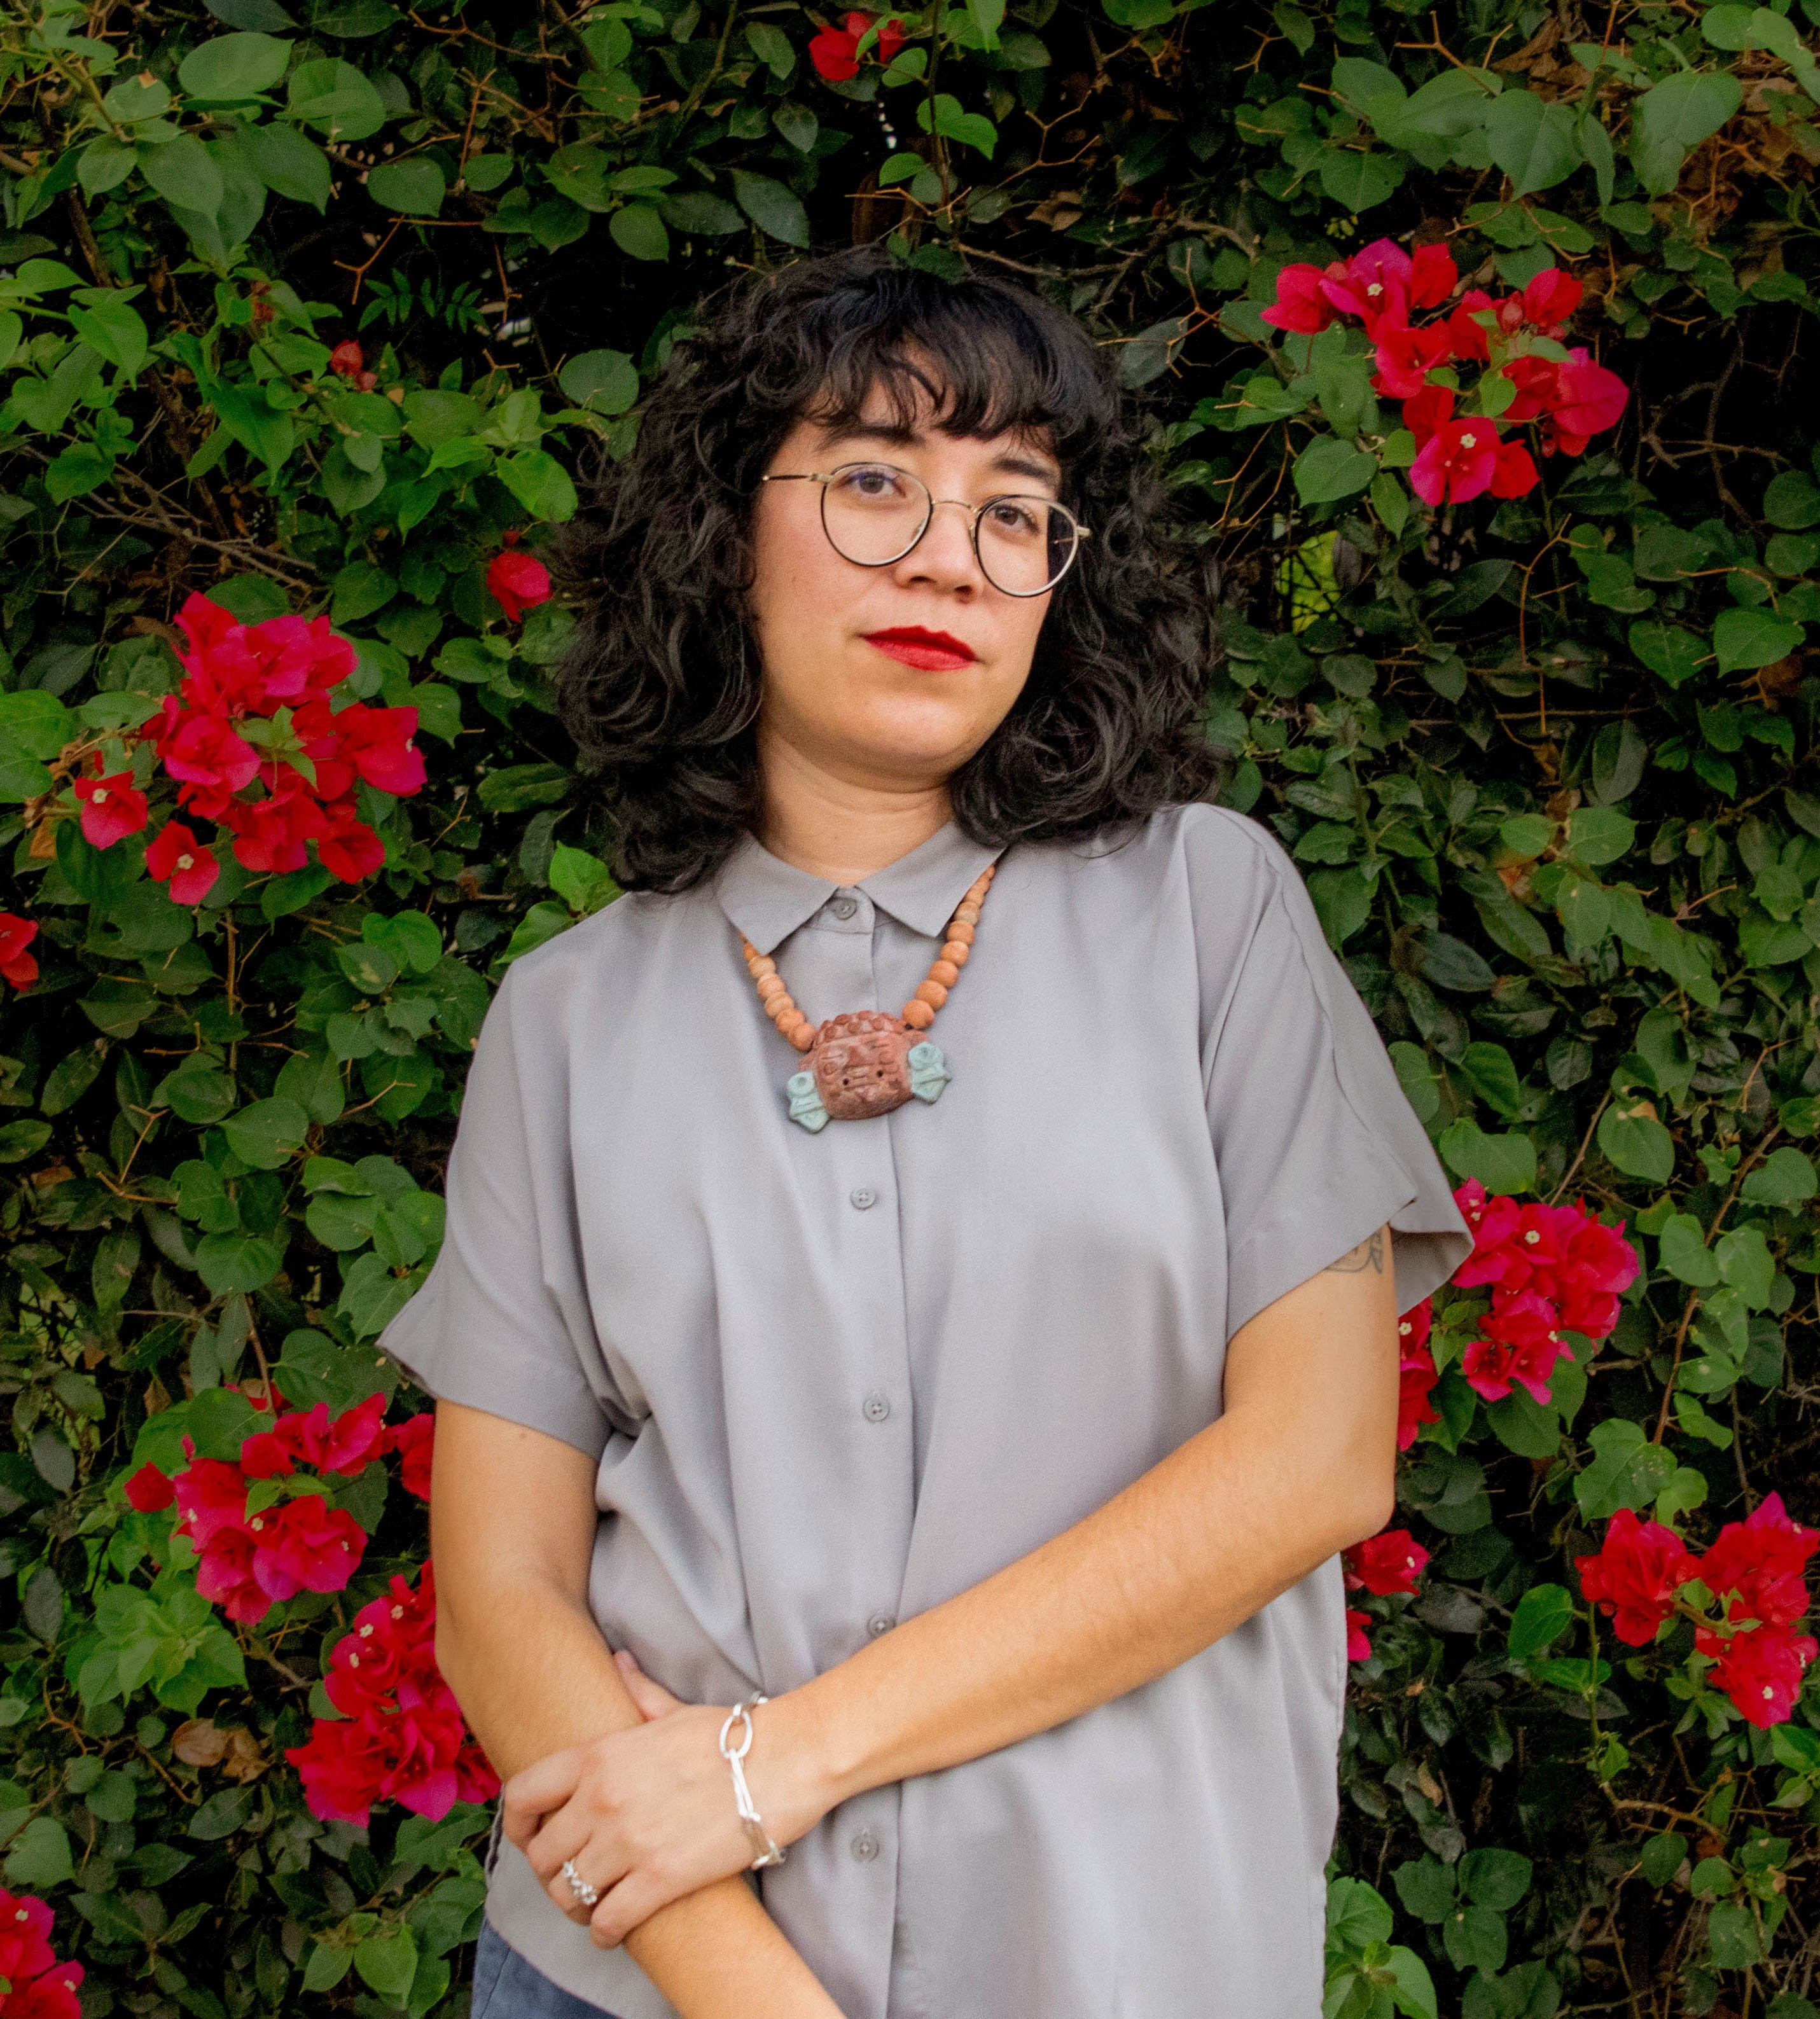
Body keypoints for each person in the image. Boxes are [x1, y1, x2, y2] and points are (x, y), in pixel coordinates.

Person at [381, 247, 1471, 2019]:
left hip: (1118, 1965)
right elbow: (499, 1589)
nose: (949, 558)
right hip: (640, 1982)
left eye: (1014, 510)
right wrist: (745, 1990)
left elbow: (1319, 1460)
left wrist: (774, 1762)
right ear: (725, 535)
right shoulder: (564, 1019)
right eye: (875, 480)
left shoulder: (1213, 912)